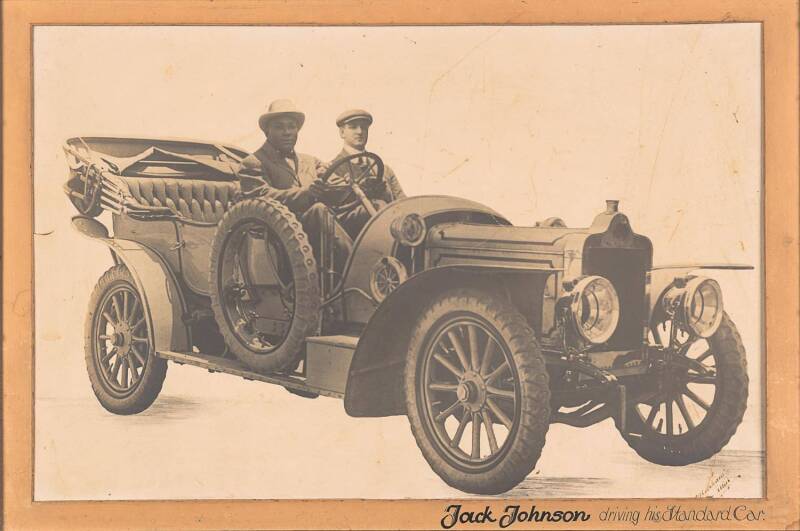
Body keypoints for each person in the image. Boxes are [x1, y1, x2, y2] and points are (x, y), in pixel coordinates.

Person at [238, 99, 351, 273]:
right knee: (319, 210)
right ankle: (357, 271)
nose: (287, 132)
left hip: (322, 228)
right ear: (267, 131)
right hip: (283, 234)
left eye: (291, 127)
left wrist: (355, 186)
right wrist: (306, 193)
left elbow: (336, 184)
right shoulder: (253, 162)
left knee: (372, 207)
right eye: (279, 127)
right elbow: (262, 198)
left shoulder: (310, 161)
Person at [329, 108, 406, 238]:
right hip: (354, 236)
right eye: (353, 127)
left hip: (392, 230)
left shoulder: (385, 170)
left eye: (364, 128)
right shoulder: (332, 169)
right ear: (342, 132)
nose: (359, 132)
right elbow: (336, 210)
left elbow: (402, 201)